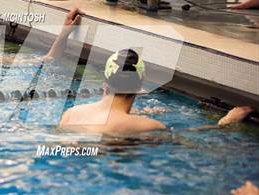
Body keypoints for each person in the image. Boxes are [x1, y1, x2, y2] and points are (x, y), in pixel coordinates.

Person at [60, 49, 254, 135]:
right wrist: (224, 123)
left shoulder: (70, 114)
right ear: (140, 87)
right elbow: (186, 137)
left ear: (105, 84)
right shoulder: (148, 126)